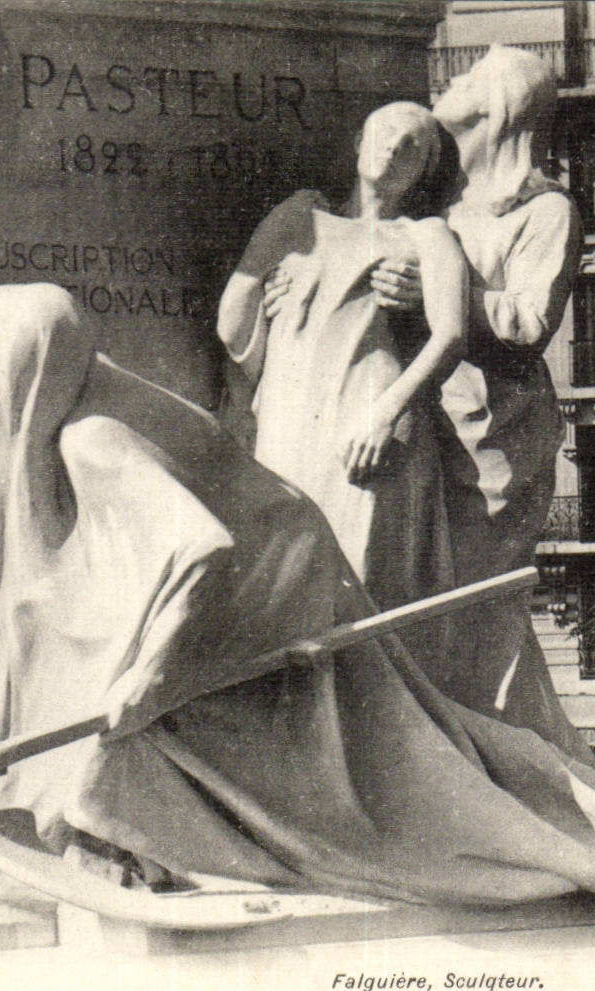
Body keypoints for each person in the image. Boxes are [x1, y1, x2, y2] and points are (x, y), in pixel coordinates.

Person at [0, 283, 595, 906]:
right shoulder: (45, 399)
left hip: (272, 568)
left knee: (177, 721)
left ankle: (120, 836)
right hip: (246, 548)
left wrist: (146, 681)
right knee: (67, 645)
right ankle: (94, 815)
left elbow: (202, 551)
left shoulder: (96, 436)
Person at [373, 46, 594, 764]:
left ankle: (513, 771)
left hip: (495, 436)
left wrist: (445, 297)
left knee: (476, 616)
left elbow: (529, 324)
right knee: (431, 609)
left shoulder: (545, 209)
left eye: (468, 79)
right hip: (427, 421)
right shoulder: (435, 198)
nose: (449, 83)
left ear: (499, 107)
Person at [215, 103, 464, 612]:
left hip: (366, 415)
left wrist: (384, 415)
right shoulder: (298, 217)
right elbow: (233, 319)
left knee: (362, 579)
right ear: (359, 140)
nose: (395, 146)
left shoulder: (426, 236)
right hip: (290, 417)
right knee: (288, 576)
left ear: (422, 171)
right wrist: (266, 302)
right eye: (387, 131)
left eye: (413, 145)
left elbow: (451, 336)